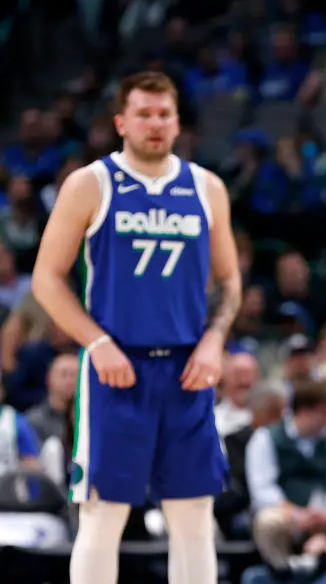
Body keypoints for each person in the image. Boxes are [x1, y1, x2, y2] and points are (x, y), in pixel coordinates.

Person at [31, 71, 242, 584]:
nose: (155, 123)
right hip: (114, 369)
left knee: (193, 517)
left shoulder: (206, 187)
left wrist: (214, 341)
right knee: (104, 515)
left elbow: (230, 280)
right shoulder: (90, 183)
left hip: (187, 370)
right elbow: (46, 279)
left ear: (177, 122)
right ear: (121, 122)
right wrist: (97, 342)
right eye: (144, 114)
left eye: (164, 114)